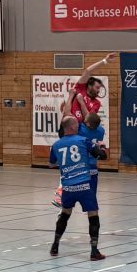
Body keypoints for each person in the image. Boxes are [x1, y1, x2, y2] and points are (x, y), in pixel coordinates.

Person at [52, 51, 116, 207]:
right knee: (71, 162)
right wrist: (105, 61)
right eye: (97, 87)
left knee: (78, 163)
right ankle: (61, 193)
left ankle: (67, 194)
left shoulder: (96, 103)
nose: (98, 91)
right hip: (69, 127)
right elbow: (88, 71)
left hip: (80, 129)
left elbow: (89, 119)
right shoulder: (80, 88)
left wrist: (81, 103)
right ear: (89, 85)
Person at [50, 116, 107, 260]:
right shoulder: (83, 140)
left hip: (68, 187)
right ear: (73, 127)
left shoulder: (56, 145)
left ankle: (55, 246)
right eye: (77, 124)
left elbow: (51, 164)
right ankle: (94, 251)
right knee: (93, 214)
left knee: (65, 214)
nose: (79, 126)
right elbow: (101, 156)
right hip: (84, 185)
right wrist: (102, 147)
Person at [79, 113, 107, 197]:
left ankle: (60, 195)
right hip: (92, 164)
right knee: (92, 194)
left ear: (88, 124)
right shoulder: (101, 130)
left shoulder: (80, 129)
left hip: (80, 164)